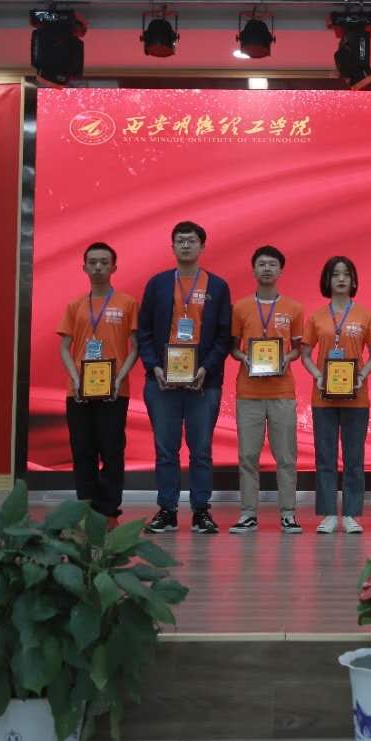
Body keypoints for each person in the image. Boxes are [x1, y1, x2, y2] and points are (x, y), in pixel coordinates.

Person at [137, 221, 232, 535]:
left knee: (201, 450)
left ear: (202, 246)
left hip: (204, 382)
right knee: (166, 450)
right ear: (173, 246)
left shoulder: (217, 286)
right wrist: (154, 367)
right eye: (180, 240)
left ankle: (201, 511)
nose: (186, 245)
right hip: (162, 382)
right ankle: (167, 510)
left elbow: (224, 336)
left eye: (192, 241)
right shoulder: (158, 284)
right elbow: (144, 332)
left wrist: (206, 368)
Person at [56, 241, 140, 528]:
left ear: (114, 267)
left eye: (104, 262)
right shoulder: (75, 306)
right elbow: (64, 348)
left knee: (112, 451)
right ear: (84, 268)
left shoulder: (127, 303)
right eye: (92, 262)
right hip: (79, 392)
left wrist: (119, 378)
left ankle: (109, 511)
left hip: (114, 391)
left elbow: (135, 347)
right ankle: (85, 509)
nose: (98, 267)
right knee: (83, 452)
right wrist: (76, 378)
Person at [229, 245, 305, 535]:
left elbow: (298, 349)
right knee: (248, 456)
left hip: (282, 391)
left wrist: (287, 358)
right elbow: (233, 348)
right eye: (261, 264)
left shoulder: (294, 308)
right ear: (253, 270)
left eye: (272, 264)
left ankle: (288, 514)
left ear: (281, 270)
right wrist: (245, 358)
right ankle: (248, 513)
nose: (267, 269)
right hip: (248, 392)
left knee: (286, 457)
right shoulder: (240, 307)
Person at [301, 256, 371, 534]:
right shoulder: (316, 317)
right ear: (327, 280)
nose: (341, 279)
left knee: (354, 458)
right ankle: (328, 515)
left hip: (356, 396)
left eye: (346, 274)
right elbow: (305, 354)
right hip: (323, 396)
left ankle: (351, 514)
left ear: (353, 280)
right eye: (335, 274)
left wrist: (361, 375)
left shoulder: (366, 316)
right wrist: (318, 375)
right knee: (325, 457)